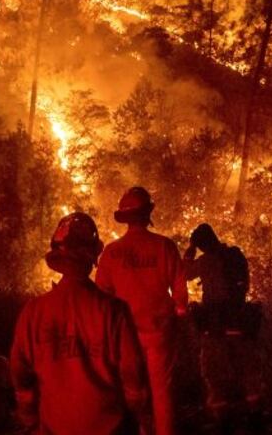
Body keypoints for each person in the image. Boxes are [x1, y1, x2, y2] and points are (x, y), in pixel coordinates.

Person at [11, 211, 152, 434]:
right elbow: (133, 374)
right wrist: (137, 418)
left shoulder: (33, 312)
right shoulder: (114, 311)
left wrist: (30, 419)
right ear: (93, 256)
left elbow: (20, 375)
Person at [96, 186, 188, 435]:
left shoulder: (112, 253)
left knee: (129, 391)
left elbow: (102, 296)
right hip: (159, 331)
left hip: (125, 336)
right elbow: (180, 288)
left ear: (124, 218)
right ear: (147, 213)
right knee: (162, 393)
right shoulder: (164, 246)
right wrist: (179, 314)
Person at [183, 223, 262, 430]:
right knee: (247, 368)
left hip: (216, 324)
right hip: (239, 320)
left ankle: (222, 418)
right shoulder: (236, 255)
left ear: (201, 245)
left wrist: (189, 252)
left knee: (213, 371)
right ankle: (255, 414)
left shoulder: (206, 261)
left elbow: (184, 273)